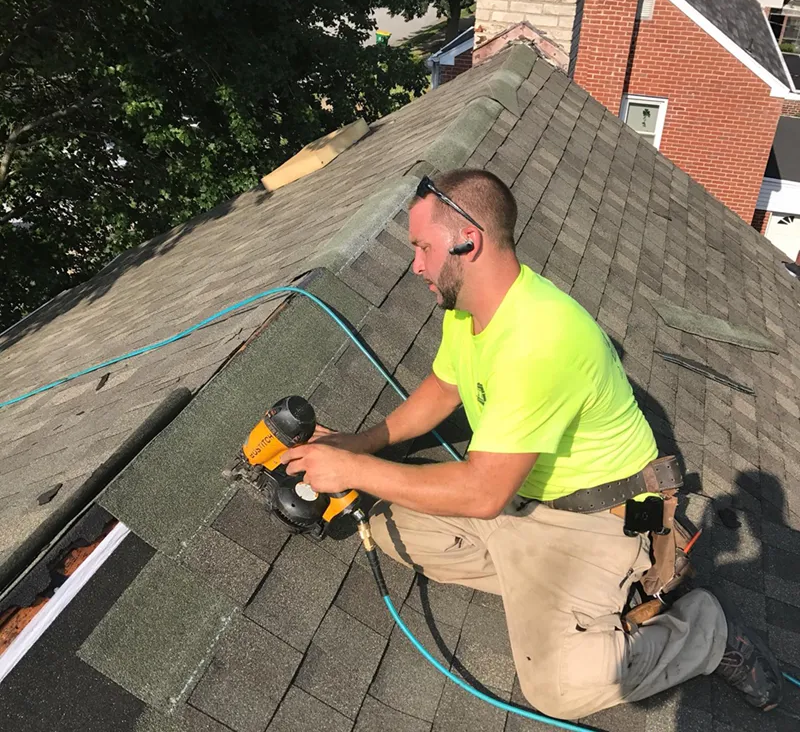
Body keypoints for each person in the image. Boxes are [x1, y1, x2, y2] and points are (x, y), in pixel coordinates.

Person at [281, 169, 783, 719]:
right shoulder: (469, 307)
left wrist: (353, 471)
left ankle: (706, 629)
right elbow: (445, 386)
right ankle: (556, 587)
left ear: (467, 241)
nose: (415, 264)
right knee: (388, 530)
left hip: (611, 513)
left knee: (557, 688)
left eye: (422, 248)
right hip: (524, 494)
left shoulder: (540, 340)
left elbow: (481, 493)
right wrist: (363, 444)